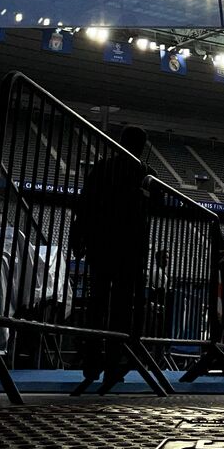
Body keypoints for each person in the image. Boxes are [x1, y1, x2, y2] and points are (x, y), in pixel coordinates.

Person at [72, 124, 150, 392]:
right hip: (128, 251)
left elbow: (85, 203)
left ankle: (92, 362)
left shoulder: (102, 169)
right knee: (120, 309)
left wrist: (79, 236)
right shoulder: (144, 173)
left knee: (97, 304)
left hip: (101, 246)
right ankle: (114, 364)